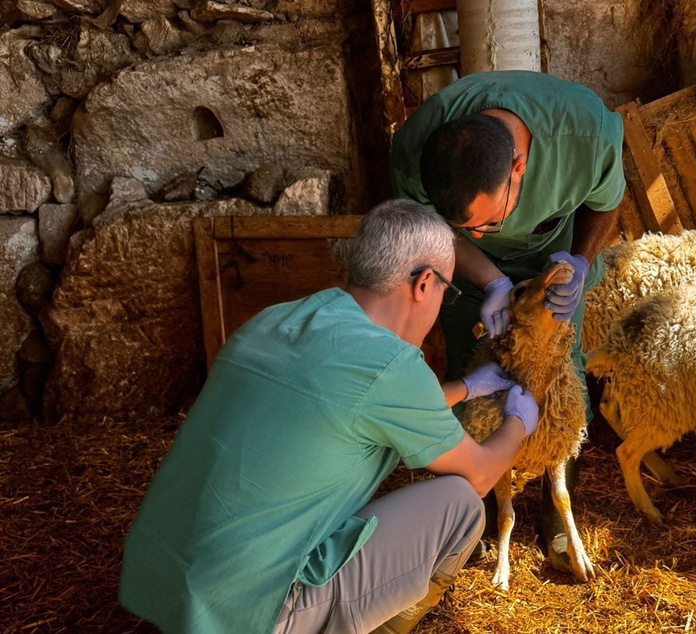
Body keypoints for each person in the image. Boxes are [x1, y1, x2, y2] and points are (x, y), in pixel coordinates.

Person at [118, 199, 540, 634]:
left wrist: (467, 387)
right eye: (446, 292)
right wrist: (518, 420)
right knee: (461, 505)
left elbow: (362, 400)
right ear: (425, 283)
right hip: (249, 615)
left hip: (164, 586)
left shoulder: (275, 319)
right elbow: (482, 473)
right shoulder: (391, 364)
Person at [389, 70, 626, 570]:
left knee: (562, 372)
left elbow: (606, 202)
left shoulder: (586, 136)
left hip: (554, 258)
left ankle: (556, 512)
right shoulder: (414, 152)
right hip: (462, 266)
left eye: (489, 220)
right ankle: (471, 510)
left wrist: (581, 262)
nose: (480, 231)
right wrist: (491, 277)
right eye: (467, 224)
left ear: (519, 166)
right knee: (470, 362)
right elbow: (435, 233)